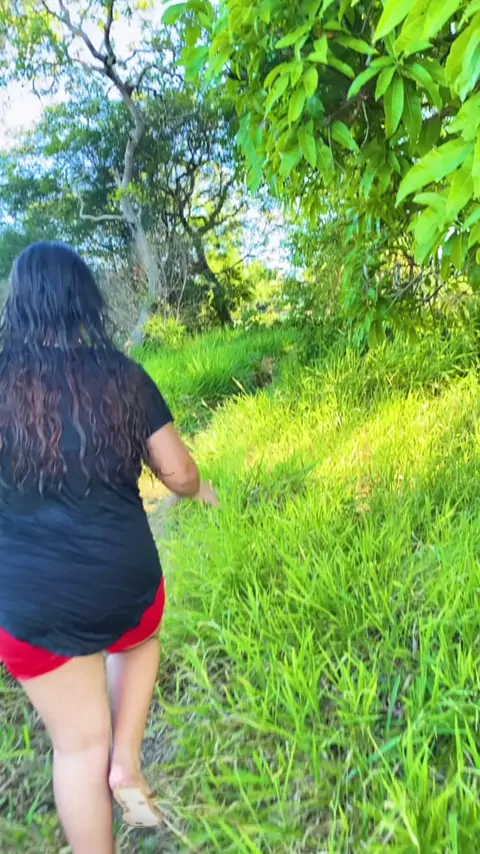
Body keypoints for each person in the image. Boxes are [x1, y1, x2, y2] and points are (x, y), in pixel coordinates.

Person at [0, 242, 218, 854]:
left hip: (31, 604)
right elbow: (179, 473)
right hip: (125, 583)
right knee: (137, 639)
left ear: (17, 304)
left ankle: (107, 768)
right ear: (84, 301)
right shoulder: (122, 375)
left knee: (76, 747)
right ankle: (126, 762)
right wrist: (198, 488)